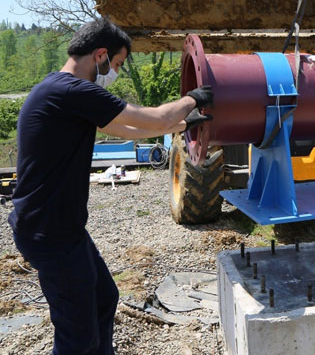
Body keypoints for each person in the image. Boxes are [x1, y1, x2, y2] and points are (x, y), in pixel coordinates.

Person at [8, 18, 213, 355]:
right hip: (50, 232)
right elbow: (155, 118)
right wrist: (193, 98)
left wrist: (184, 122)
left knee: (105, 297)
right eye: (116, 63)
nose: (115, 71)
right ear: (100, 54)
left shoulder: (60, 92)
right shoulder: (72, 91)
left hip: (59, 227)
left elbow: (126, 129)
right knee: (78, 338)